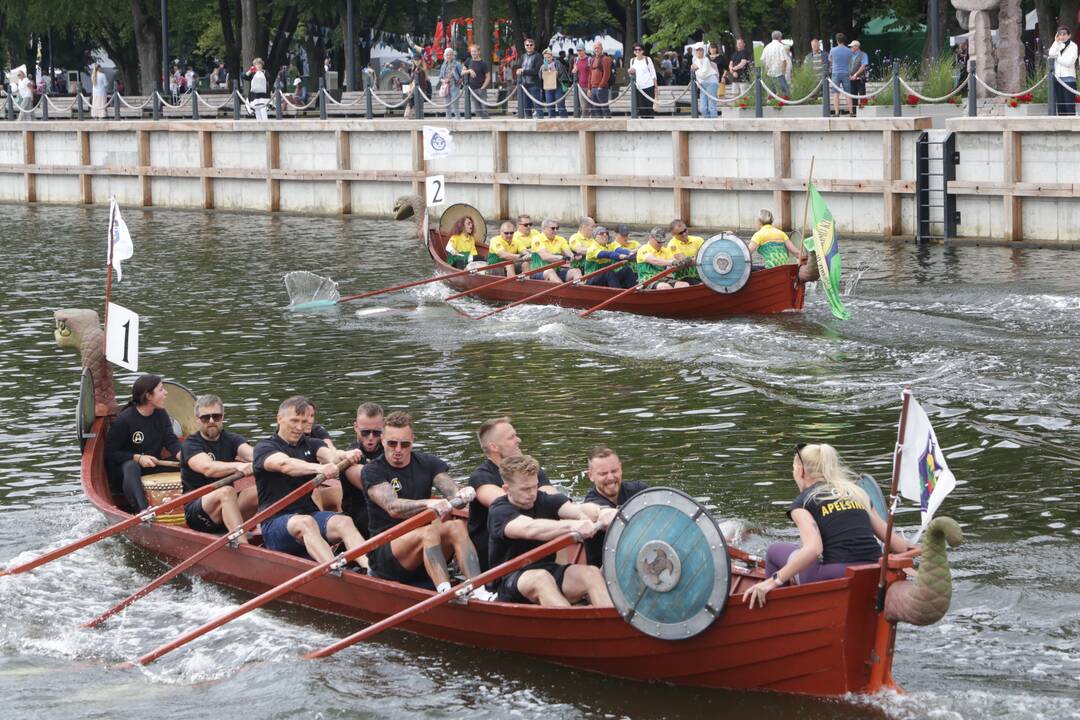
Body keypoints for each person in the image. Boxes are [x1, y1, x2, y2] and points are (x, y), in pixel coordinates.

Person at [742, 443, 914, 609]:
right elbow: (898, 546)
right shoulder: (857, 493)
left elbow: (814, 549)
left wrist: (772, 581)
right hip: (875, 572)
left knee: (774, 551)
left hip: (835, 574)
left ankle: (779, 611)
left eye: (793, 470)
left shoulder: (804, 501)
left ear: (801, 472)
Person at [361, 411, 494, 598]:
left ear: (412, 441)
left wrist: (461, 493)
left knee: (456, 526)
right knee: (429, 531)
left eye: (404, 444)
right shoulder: (372, 470)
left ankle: (478, 589)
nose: (398, 449)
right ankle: (445, 593)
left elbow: (450, 489)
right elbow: (392, 507)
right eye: (392, 443)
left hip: (424, 550)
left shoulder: (428, 463)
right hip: (386, 554)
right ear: (382, 440)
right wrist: (429, 504)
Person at [253, 396, 368, 563]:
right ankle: (335, 571)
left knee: (344, 522)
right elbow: (285, 465)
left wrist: (345, 455)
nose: (299, 427)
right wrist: (319, 468)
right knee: (306, 523)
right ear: (279, 419)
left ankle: (370, 571)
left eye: (303, 421)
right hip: (275, 524)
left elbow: (331, 455)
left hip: (309, 516)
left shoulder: (312, 444)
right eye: (294, 421)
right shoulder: (264, 447)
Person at [488, 454, 613, 607]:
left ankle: (612, 626)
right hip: (509, 580)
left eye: (534, 486)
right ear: (507, 489)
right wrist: (572, 526)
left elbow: (577, 509)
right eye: (525, 489)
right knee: (541, 578)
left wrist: (602, 513)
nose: (532, 493)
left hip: (548, 569)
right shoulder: (499, 511)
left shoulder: (543, 499)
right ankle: (573, 628)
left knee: (592, 573)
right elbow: (530, 529)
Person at [467, 417, 562, 570]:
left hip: (531, 551)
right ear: (494, 446)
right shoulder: (481, 477)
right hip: (497, 565)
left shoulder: (528, 471)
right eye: (511, 437)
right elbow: (505, 502)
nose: (519, 440)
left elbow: (552, 496)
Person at [180, 394, 256, 539]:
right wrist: (239, 467)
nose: (211, 421)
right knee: (226, 491)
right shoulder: (191, 444)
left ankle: (273, 535)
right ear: (197, 420)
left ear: (222, 417)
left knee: (258, 491)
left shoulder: (231, 438)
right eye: (205, 418)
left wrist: (273, 459)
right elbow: (208, 468)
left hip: (228, 506)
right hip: (198, 514)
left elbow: (254, 454)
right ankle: (242, 544)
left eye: (216, 416)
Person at [105, 374, 182, 512]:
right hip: (126, 473)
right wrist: (137, 458)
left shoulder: (161, 414)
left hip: (152, 465)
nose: (166, 392)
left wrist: (182, 454)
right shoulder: (125, 420)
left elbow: (170, 440)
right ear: (148, 396)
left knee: (190, 463)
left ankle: (195, 503)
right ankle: (144, 511)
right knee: (131, 466)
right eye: (161, 390)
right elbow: (110, 453)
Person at [581, 446, 649, 567]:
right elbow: (596, 511)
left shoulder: (639, 490)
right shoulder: (591, 502)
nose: (610, 478)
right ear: (591, 475)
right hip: (608, 572)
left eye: (614, 471)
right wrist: (604, 514)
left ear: (621, 468)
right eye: (603, 474)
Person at [340, 402, 385, 540]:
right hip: (360, 517)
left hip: (387, 509)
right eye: (365, 432)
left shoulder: (392, 449)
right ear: (356, 427)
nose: (371, 437)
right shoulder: (351, 456)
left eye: (377, 432)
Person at [530, 219, 580, 283]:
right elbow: (545, 256)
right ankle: (564, 291)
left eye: (557, 228)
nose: (555, 231)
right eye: (553, 228)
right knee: (550, 271)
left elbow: (569, 253)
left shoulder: (561, 239)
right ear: (544, 229)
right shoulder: (537, 239)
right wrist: (561, 257)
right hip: (538, 272)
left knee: (576, 271)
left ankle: (582, 291)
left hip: (556, 271)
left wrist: (573, 256)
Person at [1049, 27, 1078, 116]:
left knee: (1069, 106)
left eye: (1064, 34)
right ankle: (1063, 128)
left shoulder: (1073, 46)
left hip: (1069, 80)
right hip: (1058, 79)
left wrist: (1057, 57)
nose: (1062, 36)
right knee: (1061, 107)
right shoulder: (1058, 44)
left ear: (1069, 35)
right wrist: (1055, 41)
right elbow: (1051, 54)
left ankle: (1071, 127)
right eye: (1060, 34)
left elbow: (1069, 62)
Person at [666, 218, 704, 284]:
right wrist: (702, 258)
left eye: (685, 230)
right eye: (680, 233)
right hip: (683, 276)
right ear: (673, 234)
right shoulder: (672, 245)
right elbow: (686, 262)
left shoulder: (698, 239)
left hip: (701, 274)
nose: (684, 234)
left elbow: (708, 254)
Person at [628, 44, 657, 118]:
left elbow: (653, 73)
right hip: (638, 87)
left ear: (643, 51)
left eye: (639, 49)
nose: (637, 51)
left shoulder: (648, 59)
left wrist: (656, 87)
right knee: (641, 107)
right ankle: (642, 123)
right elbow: (632, 74)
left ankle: (650, 123)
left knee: (649, 106)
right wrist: (630, 72)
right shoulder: (632, 60)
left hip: (649, 85)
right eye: (635, 50)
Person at [516, 38, 543, 119]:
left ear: (534, 46)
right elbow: (519, 68)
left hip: (534, 85)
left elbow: (537, 71)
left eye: (531, 45)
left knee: (537, 106)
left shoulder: (538, 56)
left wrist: (524, 71)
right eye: (527, 45)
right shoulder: (523, 56)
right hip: (524, 85)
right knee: (526, 106)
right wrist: (518, 71)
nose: (529, 46)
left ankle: (541, 122)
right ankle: (528, 122)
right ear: (525, 46)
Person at [691, 45, 720, 118]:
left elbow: (703, 74)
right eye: (697, 50)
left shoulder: (706, 60)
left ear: (703, 51)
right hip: (702, 84)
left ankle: (714, 125)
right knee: (702, 108)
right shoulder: (695, 60)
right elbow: (697, 75)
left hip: (711, 82)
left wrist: (696, 69)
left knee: (711, 106)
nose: (698, 52)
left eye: (700, 50)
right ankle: (708, 122)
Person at [829, 33, 853, 115]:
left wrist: (834, 63)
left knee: (836, 93)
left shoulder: (833, 50)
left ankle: (836, 112)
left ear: (837, 40)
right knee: (848, 93)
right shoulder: (849, 50)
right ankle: (851, 112)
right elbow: (850, 61)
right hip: (846, 72)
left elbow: (830, 59)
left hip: (835, 73)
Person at [464, 44, 491, 118]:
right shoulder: (468, 61)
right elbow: (462, 72)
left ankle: (487, 124)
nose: (473, 53)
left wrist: (483, 87)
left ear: (479, 52)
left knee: (484, 109)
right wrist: (469, 70)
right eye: (472, 51)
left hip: (481, 88)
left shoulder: (483, 63)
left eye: (475, 51)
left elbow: (488, 77)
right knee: (477, 110)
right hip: (472, 89)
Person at [761, 30, 791, 96]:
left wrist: (767, 68)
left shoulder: (767, 47)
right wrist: (784, 72)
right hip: (779, 73)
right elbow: (784, 60)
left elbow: (762, 60)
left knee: (772, 92)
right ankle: (786, 102)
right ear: (780, 37)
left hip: (770, 72)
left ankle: (773, 103)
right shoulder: (780, 46)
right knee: (785, 92)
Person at [540, 49, 569, 118]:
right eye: (545, 58)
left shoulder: (557, 63)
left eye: (548, 57)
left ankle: (565, 123)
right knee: (550, 108)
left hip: (558, 87)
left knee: (561, 106)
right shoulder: (543, 66)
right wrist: (544, 72)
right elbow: (540, 77)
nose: (547, 59)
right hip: (548, 88)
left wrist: (556, 72)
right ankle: (552, 125)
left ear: (552, 56)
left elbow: (563, 74)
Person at [589, 41, 614, 118]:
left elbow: (607, 74)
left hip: (602, 88)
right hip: (593, 87)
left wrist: (601, 85)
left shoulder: (606, 59)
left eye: (598, 48)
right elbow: (590, 74)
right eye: (595, 48)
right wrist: (589, 88)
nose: (596, 50)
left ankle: (609, 127)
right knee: (595, 110)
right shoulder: (592, 59)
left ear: (602, 48)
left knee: (604, 108)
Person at [438, 48, 463, 119]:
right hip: (446, 87)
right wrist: (443, 81)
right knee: (447, 104)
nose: (449, 56)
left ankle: (458, 119)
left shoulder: (457, 64)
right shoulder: (443, 65)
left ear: (453, 55)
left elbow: (462, 75)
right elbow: (440, 78)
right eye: (447, 55)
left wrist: (460, 81)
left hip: (455, 86)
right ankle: (448, 119)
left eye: (450, 54)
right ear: (445, 56)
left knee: (455, 104)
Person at [848, 40, 868, 116]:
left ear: (856, 47)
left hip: (860, 78)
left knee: (862, 94)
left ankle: (863, 111)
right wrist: (849, 75)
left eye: (852, 46)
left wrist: (855, 75)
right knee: (853, 94)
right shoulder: (850, 55)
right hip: (851, 78)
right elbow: (847, 66)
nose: (850, 48)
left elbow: (863, 66)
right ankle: (854, 112)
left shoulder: (863, 55)